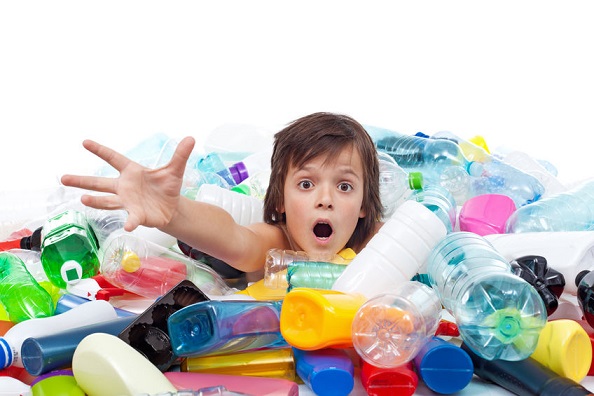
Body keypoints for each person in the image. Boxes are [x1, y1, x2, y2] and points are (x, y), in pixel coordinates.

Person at [61, 112, 384, 278]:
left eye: (344, 187)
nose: (325, 199)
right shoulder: (275, 244)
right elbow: (232, 237)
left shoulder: (376, 243)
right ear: (279, 202)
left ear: (363, 207)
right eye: (306, 184)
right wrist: (174, 213)